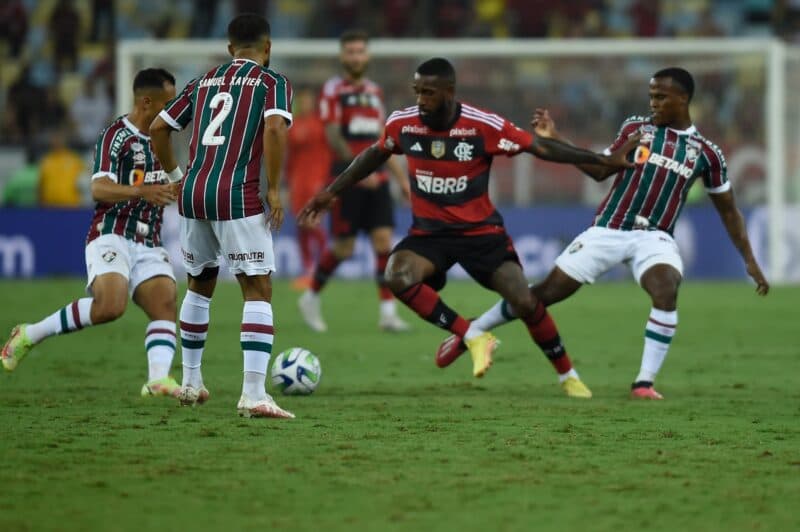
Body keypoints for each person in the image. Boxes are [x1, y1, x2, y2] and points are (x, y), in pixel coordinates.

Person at [299, 57, 635, 395]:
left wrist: (602, 160)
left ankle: (568, 376)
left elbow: (540, 147)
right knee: (397, 275)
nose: (421, 100)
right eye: (417, 92)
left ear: (449, 92)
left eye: (428, 92)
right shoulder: (404, 123)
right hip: (429, 235)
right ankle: (473, 336)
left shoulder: (482, 125)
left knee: (525, 301)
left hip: (481, 235)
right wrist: (331, 191)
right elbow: (374, 154)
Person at [435, 67, 770, 399]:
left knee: (666, 289)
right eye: (651, 96)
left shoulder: (708, 153)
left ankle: (644, 383)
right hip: (608, 228)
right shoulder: (636, 128)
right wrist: (556, 138)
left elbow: (728, 210)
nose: (653, 103)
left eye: (661, 97)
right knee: (543, 296)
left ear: (683, 99)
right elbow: (599, 170)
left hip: (655, 237)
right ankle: (474, 329)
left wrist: (750, 260)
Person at [2, 68, 183, 399]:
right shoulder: (116, 135)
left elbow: (174, 183)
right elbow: (98, 188)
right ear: (146, 101)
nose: (174, 110)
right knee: (110, 307)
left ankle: (157, 379)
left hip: (149, 239)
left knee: (165, 303)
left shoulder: (164, 139)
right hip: (111, 232)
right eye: (168, 103)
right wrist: (143, 192)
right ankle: (30, 334)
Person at [149, 13, 294, 419]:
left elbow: (159, 127)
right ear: (267, 48)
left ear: (230, 49)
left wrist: (175, 176)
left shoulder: (202, 81)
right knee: (258, 289)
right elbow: (276, 130)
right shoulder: (273, 82)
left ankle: (192, 383)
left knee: (199, 284)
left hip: (194, 192)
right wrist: (276, 188)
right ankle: (253, 393)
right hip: (237, 194)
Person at [298, 30, 412, 334]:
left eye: (360, 51)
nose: (355, 56)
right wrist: (362, 172)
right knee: (344, 248)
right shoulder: (333, 90)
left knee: (383, 242)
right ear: (342, 56)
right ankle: (310, 297)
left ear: (368, 55)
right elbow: (333, 135)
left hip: (379, 178)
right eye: (350, 51)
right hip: (346, 179)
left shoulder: (375, 92)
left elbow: (384, 139)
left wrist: (402, 179)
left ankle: (388, 312)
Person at [285, 86, 332, 290]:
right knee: (301, 224)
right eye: (302, 101)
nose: (305, 104)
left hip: (315, 180)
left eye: (308, 100)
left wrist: (324, 180)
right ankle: (308, 269)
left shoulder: (320, 124)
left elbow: (328, 154)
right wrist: (287, 182)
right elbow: (289, 158)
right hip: (298, 181)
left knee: (313, 222)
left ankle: (322, 267)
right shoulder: (292, 126)